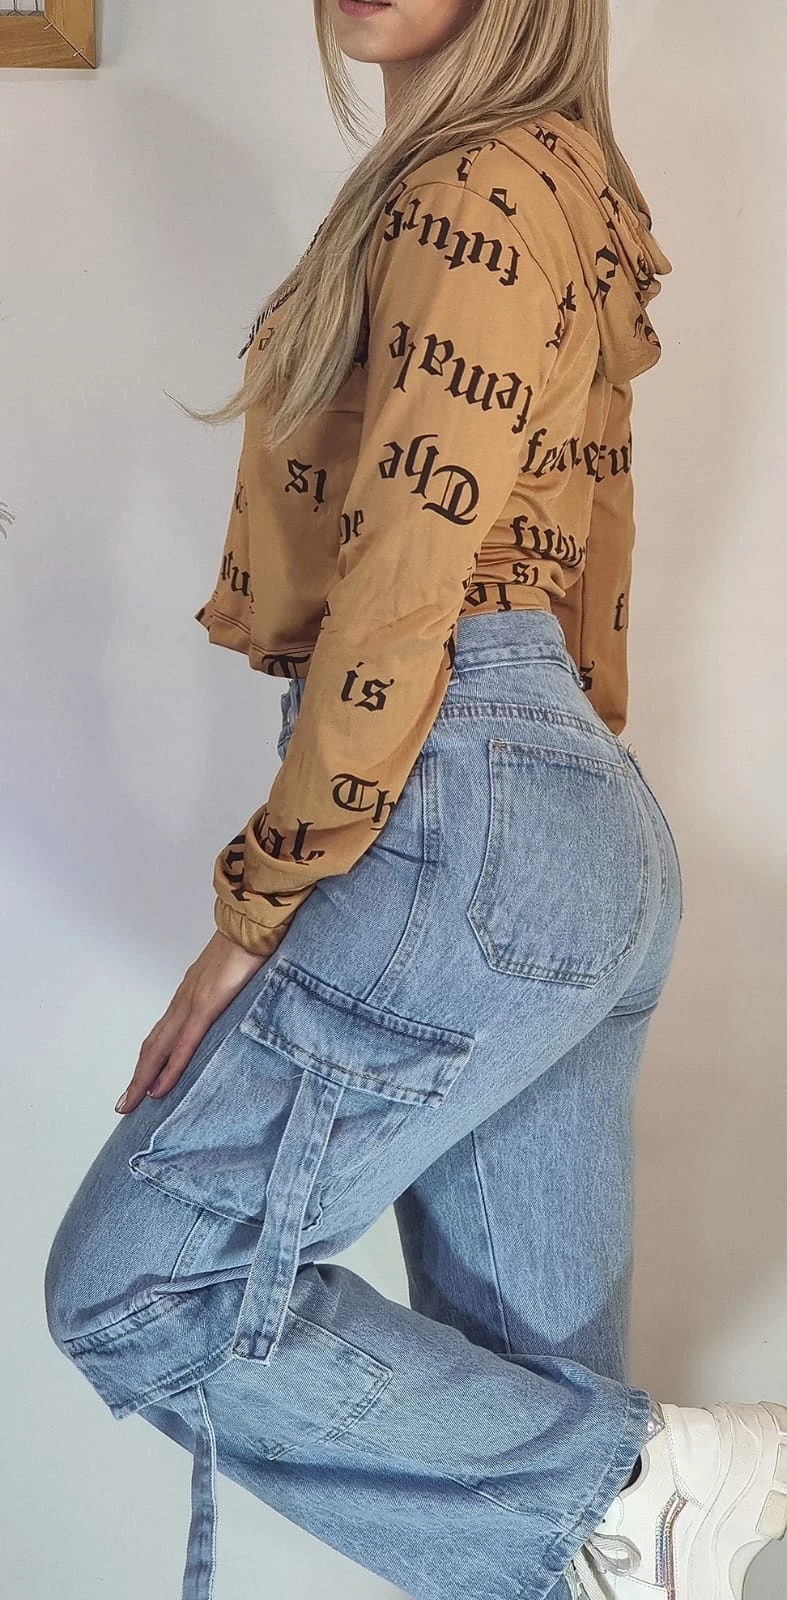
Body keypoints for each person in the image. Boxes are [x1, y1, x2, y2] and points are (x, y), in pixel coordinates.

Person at [43, 3, 787, 1598]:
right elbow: (591, 551)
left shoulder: (476, 187)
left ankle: (656, 1471)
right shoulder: (553, 185)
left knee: (139, 1289)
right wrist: (559, 836)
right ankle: (634, 1497)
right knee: (565, 1536)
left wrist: (259, 906)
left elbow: (404, 579)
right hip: (544, 811)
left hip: (471, 793)